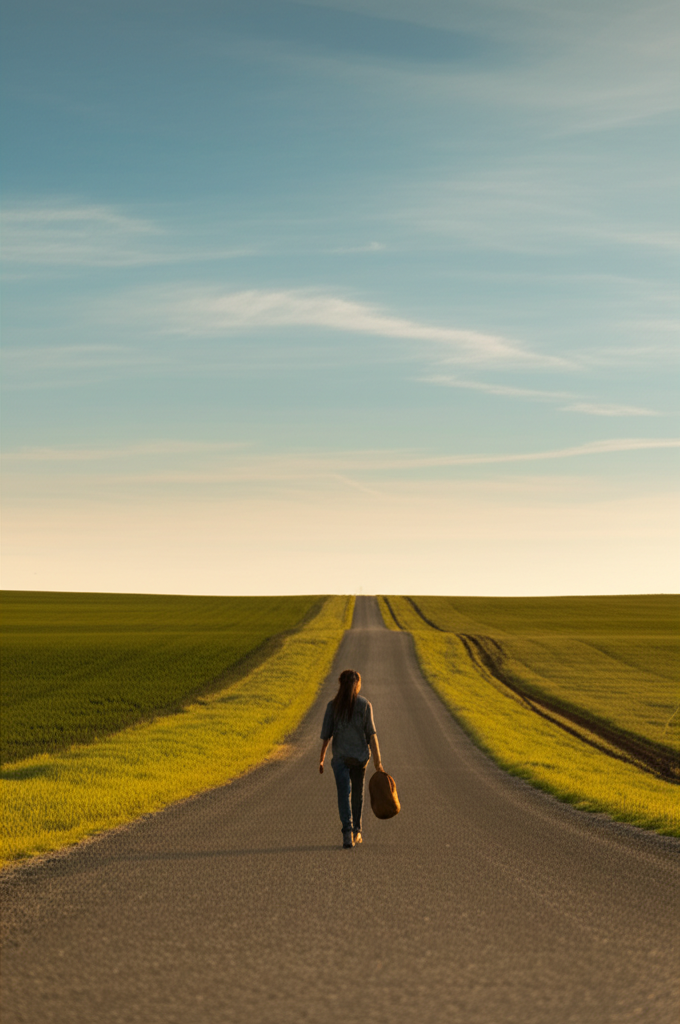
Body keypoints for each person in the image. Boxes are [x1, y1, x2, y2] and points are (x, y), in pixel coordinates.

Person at [319, 669, 382, 849]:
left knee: (343, 793)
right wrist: (378, 763)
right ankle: (356, 831)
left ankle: (347, 832)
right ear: (358, 685)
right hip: (360, 758)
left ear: (341, 684)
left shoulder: (333, 706)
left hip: (340, 758)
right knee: (357, 793)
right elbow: (372, 735)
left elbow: (326, 736)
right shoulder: (364, 705)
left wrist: (322, 759)